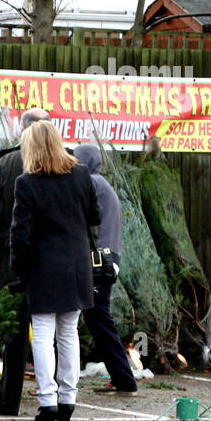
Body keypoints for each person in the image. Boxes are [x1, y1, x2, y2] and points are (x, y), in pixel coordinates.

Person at [8, 121, 101, 421]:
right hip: (77, 265)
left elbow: (20, 234)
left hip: (43, 266)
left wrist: (17, 271)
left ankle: (47, 402)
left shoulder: (27, 182)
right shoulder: (81, 174)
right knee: (69, 333)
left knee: (44, 335)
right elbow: (95, 216)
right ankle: (68, 399)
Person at [0, 108, 49, 416]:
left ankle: (8, 401)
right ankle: (53, 400)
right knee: (52, 334)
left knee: (14, 336)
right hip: (50, 263)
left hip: (12, 263)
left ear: (22, 130)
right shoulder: (64, 164)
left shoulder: (7, 164)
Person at [72, 144, 138, 397]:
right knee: (97, 318)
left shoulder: (92, 183)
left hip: (98, 261)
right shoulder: (103, 184)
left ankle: (125, 380)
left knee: (99, 319)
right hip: (108, 259)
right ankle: (122, 378)